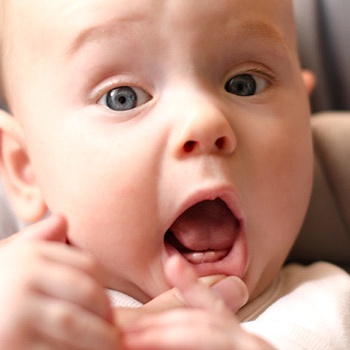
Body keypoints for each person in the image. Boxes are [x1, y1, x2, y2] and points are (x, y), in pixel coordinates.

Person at [0, 0, 348, 348]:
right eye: (123, 98)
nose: (204, 118)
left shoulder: (331, 312)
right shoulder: (25, 313)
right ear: (24, 167)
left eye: (244, 84)